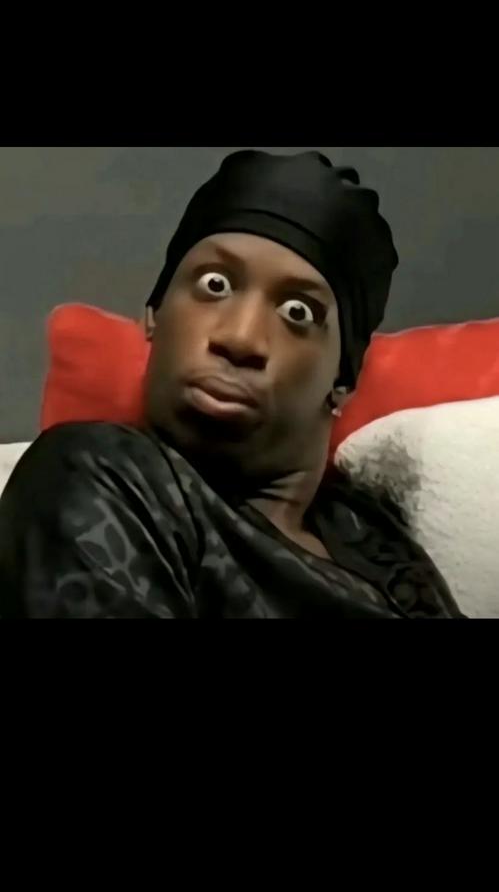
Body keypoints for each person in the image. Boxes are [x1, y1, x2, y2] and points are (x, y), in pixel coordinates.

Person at [0, 150, 462, 618]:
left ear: (341, 380)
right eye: (215, 285)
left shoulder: (381, 546)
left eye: (297, 313)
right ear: (155, 313)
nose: (240, 339)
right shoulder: (98, 477)